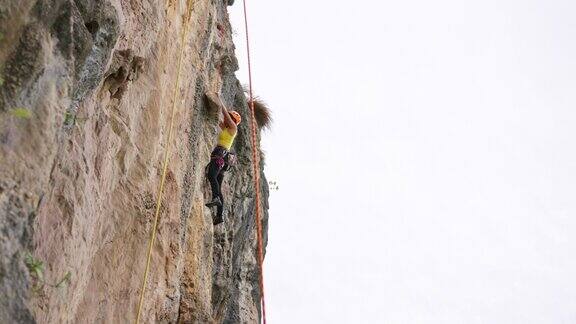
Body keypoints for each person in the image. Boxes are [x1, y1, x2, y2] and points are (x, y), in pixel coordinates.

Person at [205, 94, 241, 225]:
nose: (227, 120)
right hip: (222, 157)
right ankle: (219, 216)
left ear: (233, 120)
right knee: (218, 185)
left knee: (211, 175)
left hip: (220, 154)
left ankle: (215, 198)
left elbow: (225, 115)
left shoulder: (233, 129)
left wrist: (220, 101)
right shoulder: (226, 128)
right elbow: (217, 117)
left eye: (230, 118)